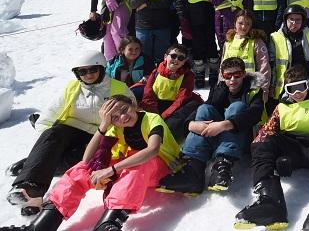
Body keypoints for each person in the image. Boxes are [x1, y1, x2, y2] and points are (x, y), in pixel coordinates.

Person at [1, 95, 180, 231]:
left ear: (134, 106)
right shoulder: (114, 126)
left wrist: (110, 170)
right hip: (128, 165)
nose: (122, 118)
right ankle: (40, 227)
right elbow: (87, 158)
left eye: (124, 110)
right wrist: (103, 126)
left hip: (161, 166)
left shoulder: (150, 118)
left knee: (135, 166)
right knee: (82, 169)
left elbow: (152, 150)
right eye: (115, 117)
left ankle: (108, 224)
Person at [7, 52, 133, 216]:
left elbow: (132, 116)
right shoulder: (73, 88)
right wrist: (45, 145)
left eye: (92, 70)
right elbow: (49, 116)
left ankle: (32, 164)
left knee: (78, 162)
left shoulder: (119, 88)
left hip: (101, 135)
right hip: (70, 130)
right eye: (82, 72)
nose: (88, 75)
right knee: (53, 133)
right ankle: (30, 189)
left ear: (101, 69)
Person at [234, 66, 309, 231]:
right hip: (290, 147)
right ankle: (270, 201)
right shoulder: (281, 108)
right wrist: (269, 152)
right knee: (262, 141)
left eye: (302, 87)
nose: (298, 93)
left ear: (308, 85)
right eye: (292, 89)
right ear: (286, 90)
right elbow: (267, 131)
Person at [157, 57, 265, 194]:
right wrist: (190, 124)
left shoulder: (254, 91)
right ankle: (193, 171)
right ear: (222, 76)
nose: (232, 80)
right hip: (216, 135)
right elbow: (205, 107)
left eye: (237, 75)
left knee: (237, 107)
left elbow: (255, 114)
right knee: (204, 110)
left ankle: (222, 167)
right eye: (228, 76)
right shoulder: (219, 88)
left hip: (241, 139)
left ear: (244, 74)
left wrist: (225, 125)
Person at [174, 0, 218, 88]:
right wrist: (183, 20)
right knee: (197, 46)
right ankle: (199, 72)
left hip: (208, 15)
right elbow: (179, 1)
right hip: (193, 17)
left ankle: (213, 71)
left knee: (211, 44)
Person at [141, 44, 203, 141]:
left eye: (181, 58)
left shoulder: (187, 75)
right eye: (173, 56)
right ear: (166, 57)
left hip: (176, 107)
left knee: (171, 124)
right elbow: (148, 95)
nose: (176, 60)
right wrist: (155, 114)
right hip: (157, 104)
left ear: (184, 62)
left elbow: (182, 99)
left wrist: (164, 116)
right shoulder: (156, 72)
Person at [268, 5, 309, 105]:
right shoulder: (275, 37)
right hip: (287, 83)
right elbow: (272, 64)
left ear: (303, 21)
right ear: (285, 20)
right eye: (291, 19)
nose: (294, 23)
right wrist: (272, 85)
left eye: (298, 20)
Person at [222, 10, 272, 98]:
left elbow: (264, 68)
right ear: (235, 23)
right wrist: (221, 85)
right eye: (240, 23)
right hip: (230, 87)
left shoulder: (256, 42)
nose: (243, 26)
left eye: (247, 24)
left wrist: (264, 90)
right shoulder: (229, 42)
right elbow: (222, 67)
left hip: (250, 88)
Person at [106, 36, 154, 101]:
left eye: (137, 49)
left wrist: (147, 77)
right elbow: (106, 78)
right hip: (118, 93)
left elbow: (153, 76)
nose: (134, 52)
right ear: (122, 50)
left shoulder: (146, 61)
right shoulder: (113, 62)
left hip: (139, 93)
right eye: (130, 49)